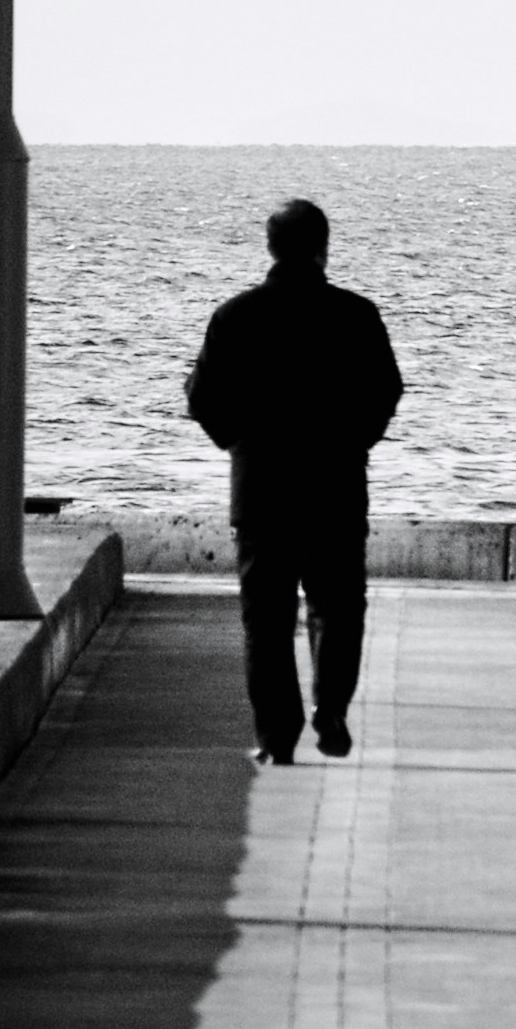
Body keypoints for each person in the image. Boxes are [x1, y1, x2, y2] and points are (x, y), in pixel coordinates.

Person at [188, 199, 405, 765]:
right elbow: (387, 390)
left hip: (262, 492)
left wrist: (239, 443)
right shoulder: (356, 315)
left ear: (270, 248)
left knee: (267, 618)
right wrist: (356, 440)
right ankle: (329, 708)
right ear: (322, 248)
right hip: (335, 485)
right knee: (338, 604)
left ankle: (274, 737)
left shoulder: (234, 317)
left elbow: (202, 398)